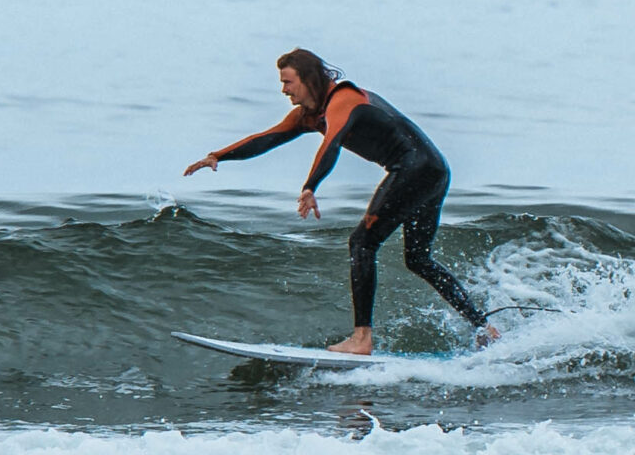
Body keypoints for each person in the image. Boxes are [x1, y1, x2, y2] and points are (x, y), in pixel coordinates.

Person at [183, 49, 495, 354]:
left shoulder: (344, 100)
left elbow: (331, 143)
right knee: (418, 259)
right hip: (434, 171)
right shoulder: (309, 115)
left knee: (362, 243)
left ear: (308, 79)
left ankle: (362, 340)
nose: (283, 90)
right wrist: (218, 156)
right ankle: (484, 328)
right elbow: (268, 138)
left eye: (288, 82)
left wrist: (310, 186)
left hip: (415, 170)